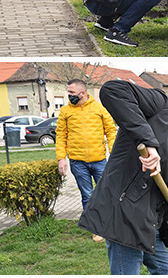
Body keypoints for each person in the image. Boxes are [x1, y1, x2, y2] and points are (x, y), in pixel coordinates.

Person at [79, 81, 168, 275]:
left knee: (163, 266)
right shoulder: (162, 105)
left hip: (148, 219)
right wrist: (147, 142)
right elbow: (112, 91)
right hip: (125, 213)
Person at [55, 78, 117, 243]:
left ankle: (109, 224)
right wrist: (61, 158)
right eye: (69, 92)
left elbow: (111, 131)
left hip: (99, 160)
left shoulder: (99, 108)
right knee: (87, 196)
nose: (69, 95)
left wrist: (114, 153)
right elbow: (60, 135)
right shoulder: (65, 111)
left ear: (82, 93)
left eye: (72, 93)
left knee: (105, 193)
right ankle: (95, 229)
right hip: (77, 162)